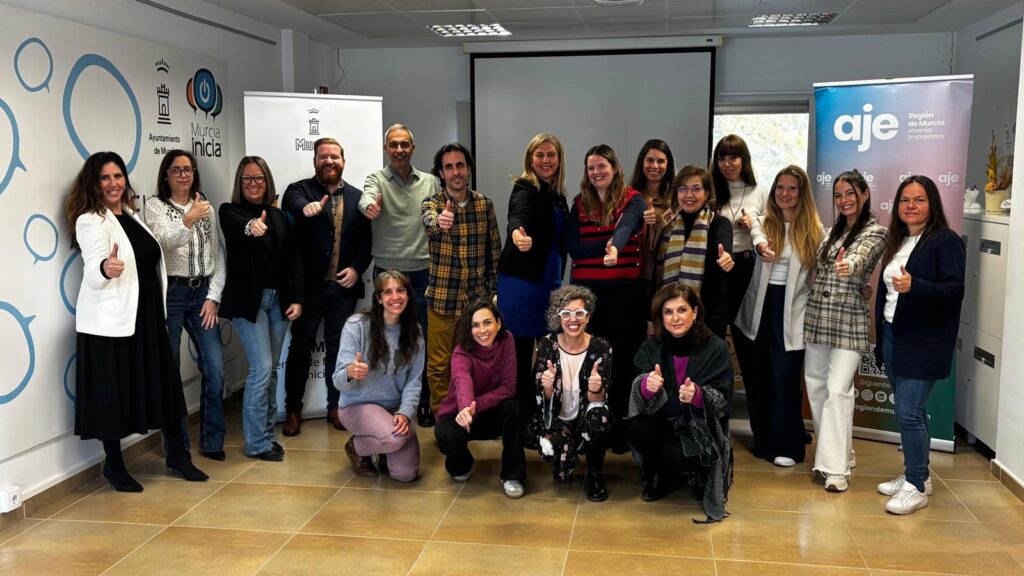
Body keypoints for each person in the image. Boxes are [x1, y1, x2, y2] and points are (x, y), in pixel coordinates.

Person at [65, 151, 207, 492]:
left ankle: (178, 457)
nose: (113, 184)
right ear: (93, 183)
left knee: (166, 386)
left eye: (118, 176)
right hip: (111, 323)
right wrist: (104, 268)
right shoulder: (90, 219)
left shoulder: (130, 213)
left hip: (145, 317)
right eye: (105, 178)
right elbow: (96, 263)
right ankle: (114, 466)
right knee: (111, 395)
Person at [873, 175, 965, 514]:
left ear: (933, 204)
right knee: (909, 412)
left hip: (923, 340)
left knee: (908, 413)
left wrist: (917, 286)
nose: (910, 206)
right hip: (894, 334)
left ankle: (915, 486)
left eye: (919, 200)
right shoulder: (899, 241)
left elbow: (954, 290)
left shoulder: (945, 241)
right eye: (904, 200)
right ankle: (919, 475)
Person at [281, 137, 372, 436]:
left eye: (334, 156)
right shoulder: (300, 190)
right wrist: (306, 208)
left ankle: (336, 407)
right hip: (307, 290)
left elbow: (366, 243)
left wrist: (357, 269)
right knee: (300, 348)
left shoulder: (359, 197)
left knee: (339, 350)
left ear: (343, 161)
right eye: (323, 157)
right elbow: (290, 204)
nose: (329, 161)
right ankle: (292, 410)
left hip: (342, 289)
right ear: (315, 162)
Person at [803, 169, 887, 492]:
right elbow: (818, 262)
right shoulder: (830, 232)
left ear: (864, 194)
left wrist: (848, 266)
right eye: (838, 195)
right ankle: (839, 452)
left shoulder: (877, 231)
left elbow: (859, 257)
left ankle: (835, 469)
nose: (844, 200)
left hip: (849, 321)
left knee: (838, 390)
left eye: (850, 193)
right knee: (816, 388)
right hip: (818, 317)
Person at [734, 166, 823, 467]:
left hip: (793, 310)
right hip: (760, 309)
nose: (784, 194)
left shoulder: (814, 230)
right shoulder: (763, 222)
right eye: (780, 188)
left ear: (802, 193)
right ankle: (764, 441)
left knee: (784, 377)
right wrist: (759, 245)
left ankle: (788, 444)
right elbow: (757, 234)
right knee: (758, 376)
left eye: (791, 188)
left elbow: (820, 274)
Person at [143, 149, 227, 461]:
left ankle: (212, 440)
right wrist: (188, 219)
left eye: (188, 170)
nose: (183, 175)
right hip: (172, 296)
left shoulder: (206, 207)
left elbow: (218, 255)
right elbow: (164, 242)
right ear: (166, 175)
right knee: (171, 372)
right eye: (176, 170)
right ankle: (176, 448)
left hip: (201, 294)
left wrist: (213, 296)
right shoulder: (155, 207)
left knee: (216, 368)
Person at [219, 156, 304, 461]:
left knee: (270, 373)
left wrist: (296, 299)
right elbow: (237, 227)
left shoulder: (280, 217)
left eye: (258, 178)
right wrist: (250, 227)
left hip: (278, 302)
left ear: (267, 182)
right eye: (247, 179)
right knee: (261, 369)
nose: (253, 184)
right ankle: (256, 443)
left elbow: (293, 260)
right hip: (248, 304)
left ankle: (266, 436)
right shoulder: (229, 212)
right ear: (239, 184)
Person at [625, 284, 733, 522]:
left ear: (695, 312)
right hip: (663, 424)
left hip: (699, 429)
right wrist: (647, 386)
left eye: (682, 310)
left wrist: (697, 396)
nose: (675, 318)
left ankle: (700, 474)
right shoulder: (650, 347)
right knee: (634, 426)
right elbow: (638, 392)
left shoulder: (716, 348)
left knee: (688, 446)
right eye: (668, 312)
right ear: (660, 317)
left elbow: (723, 401)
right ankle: (658, 473)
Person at [567, 144, 646, 452]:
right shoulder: (579, 203)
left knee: (623, 359)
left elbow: (628, 225)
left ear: (614, 168)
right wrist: (609, 243)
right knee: (592, 360)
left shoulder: (633, 199)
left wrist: (618, 242)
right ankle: (592, 424)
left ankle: (617, 427)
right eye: (591, 167)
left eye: (602, 166)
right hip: (588, 296)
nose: (597, 172)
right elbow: (575, 248)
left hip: (624, 294)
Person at [360, 124, 439, 427]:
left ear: (413, 147)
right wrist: (369, 207)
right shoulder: (376, 179)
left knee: (421, 340)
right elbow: (366, 198)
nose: (399, 150)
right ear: (385, 148)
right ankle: (386, 401)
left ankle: (422, 402)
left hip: (423, 272)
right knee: (385, 340)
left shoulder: (430, 182)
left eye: (404, 144)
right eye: (393, 145)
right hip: (388, 274)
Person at [421, 143, 502, 414]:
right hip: (443, 302)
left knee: (476, 363)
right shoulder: (432, 204)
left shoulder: (484, 205)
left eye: (460, 165)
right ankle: (444, 418)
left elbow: (494, 253)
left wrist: (492, 294)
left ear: (468, 169)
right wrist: (441, 220)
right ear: (441, 173)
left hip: (475, 305)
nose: (455, 172)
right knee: (439, 366)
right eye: (449, 167)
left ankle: (471, 415)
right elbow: (430, 221)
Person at [497, 133, 570, 419]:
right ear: (530, 159)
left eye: (551, 154)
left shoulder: (558, 196)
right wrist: (517, 234)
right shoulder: (525, 187)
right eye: (539, 155)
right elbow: (518, 215)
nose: (545, 160)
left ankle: (540, 414)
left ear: (559, 159)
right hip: (522, 284)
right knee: (520, 350)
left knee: (547, 353)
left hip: (549, 282)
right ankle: (518, 419)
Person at [335, 270, 424, 482]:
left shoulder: (415, 332)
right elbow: (338, 379)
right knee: (396, 438)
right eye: (388, 292)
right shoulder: (357, 325)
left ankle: (385, 445)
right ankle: (356, 447)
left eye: (400, 290)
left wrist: (405, 412)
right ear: (379, 298)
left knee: (405, 475)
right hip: (358, 405)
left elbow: (414, 381)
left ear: (408, 295)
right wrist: (350, 372)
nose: (395, 297)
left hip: (394, 409)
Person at [527, 285, 612, 502]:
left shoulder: (601, 347)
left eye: (579, 313)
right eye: (566, 313)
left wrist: (596, 389)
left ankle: (595, 474)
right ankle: (567, 452)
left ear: (588, 317)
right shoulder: (546, 344)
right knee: (563, 477)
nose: (572, 319)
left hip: (585, 418)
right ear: (558, 317)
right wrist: (547, 385)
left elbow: (599, 402)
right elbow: (542, 402)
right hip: (556, 420)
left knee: (600, 416)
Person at [434, 299, 525, 498]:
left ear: (498, 323)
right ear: (469, 328)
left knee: (514, 407)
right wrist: (466, 408)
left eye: (487, 322)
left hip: (488, 413)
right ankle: (463, 463)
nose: (482, 330)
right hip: (459, 413)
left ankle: (512, 475)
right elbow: (462, 379)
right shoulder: (461, 350)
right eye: (475, 325)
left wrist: (476, 406)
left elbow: (508, 387)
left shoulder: (507, 340)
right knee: (446, 437)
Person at [655, 165, 734, 338]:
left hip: (709, 316)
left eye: (696, 189)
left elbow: (724, 241)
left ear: (706, 194)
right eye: (682, 189)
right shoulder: (668, 227)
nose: (688, 195)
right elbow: (657, 275)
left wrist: (727, 255)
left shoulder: (718, 223)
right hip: (672, 316)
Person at [629, 139, 677, 323]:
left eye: (661, 161)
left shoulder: (677, 199)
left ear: (668, 165)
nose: (655, 166)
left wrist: (660, 221)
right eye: (649, 160)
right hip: (634, 279)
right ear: (642, 163)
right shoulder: (630, 196)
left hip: (665, 280)